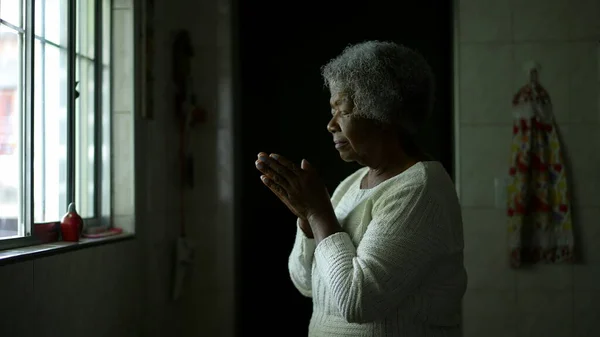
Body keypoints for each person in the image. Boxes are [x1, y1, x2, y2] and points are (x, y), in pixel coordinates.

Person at [254, 40, 467, 337]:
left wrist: (318, 213)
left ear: (383, 112)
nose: (331, 124)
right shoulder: (350, 186)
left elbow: (358, 301)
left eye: (342, 110)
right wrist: (307, 222)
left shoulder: (419, 190)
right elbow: (305, 284)